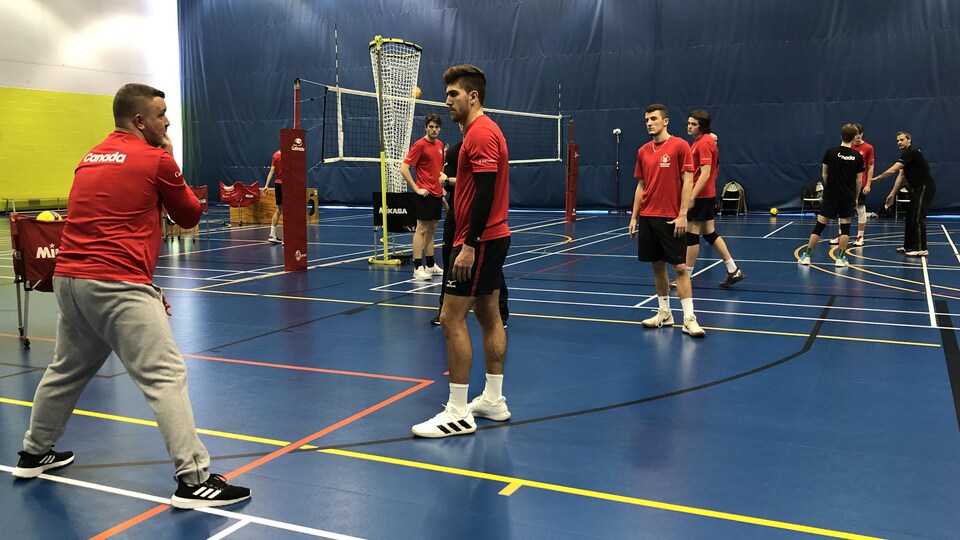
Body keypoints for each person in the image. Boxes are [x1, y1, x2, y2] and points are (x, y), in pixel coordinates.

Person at [11, 83, 251, 509]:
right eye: (161, 114)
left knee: (65, 370)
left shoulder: (90, 157)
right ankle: (194, 480)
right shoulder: (156, 158)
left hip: (68, 280)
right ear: (140, 121)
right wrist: (172, 159)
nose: (167, 121)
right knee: (165, 376)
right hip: (115, 284)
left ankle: (34, 451)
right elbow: (189, 215)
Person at [412, 64, 511, 438]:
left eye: (453, 94)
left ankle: (457, 411)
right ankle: (493, 400)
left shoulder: (482, 133)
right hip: (487, 238)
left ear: (473, 96)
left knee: (451, 318)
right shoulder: (475, 133)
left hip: (479, 241)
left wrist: (469, 244)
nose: (447, 100)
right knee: (488, 315)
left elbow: (485, 191)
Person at [628, 104, 704, 337]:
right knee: (657, 265)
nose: (649, 123)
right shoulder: (643, 151)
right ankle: (664, 313)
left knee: (680, 268)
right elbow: (641, 185)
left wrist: (682, 214)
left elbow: (688, 180)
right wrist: (634, 217)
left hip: (671, 217)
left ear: (666, 121)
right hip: (649, 216)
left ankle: (689, 319)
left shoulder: (680, 146)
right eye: (647, 120)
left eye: (653, 119)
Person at [431, 138, 509, 327]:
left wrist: (449, 180)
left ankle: (501, 311)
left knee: (491, 265)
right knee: (449, 260)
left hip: (480, 219)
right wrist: (447, 182)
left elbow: (481, 183)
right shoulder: (454, 151)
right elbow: (446, 183)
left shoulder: (484, 141)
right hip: (455, 213)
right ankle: (443, 308)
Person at [683, 109, 745, 288]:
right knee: (709, 233)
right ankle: (733, 270)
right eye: (688, 123)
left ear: (702, 126)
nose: (689, 126)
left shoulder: (703, 143)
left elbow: (705, 173)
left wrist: (691, 196)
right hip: (707, 194)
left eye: (693, 124)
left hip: (701, 195)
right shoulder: (701, 142)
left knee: (691, 235)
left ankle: (686, 275)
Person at [798, 124, 864, 267]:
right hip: (848, 195)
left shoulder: (831, 152)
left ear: (841, 136)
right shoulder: (857, 156)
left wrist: (831, 188)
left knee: (820, 226)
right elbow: (859, 180)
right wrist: (855, 197)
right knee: (845, 227)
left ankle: (807, 256)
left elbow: (824, 174)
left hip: (831, 195)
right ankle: (840, 259)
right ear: (854, 138)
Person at [872, 131, 937, 257]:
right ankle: (908, 246)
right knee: (910, 217)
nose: (899, 143)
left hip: (925, 187)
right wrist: (892, 194)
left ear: (909, 140)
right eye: (897, 141)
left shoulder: (912, 152)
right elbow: (900, 177)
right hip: (916, 188)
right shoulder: (906, 155)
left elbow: (893, 170)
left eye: (902, 140)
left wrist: (877, 178)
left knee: (918, 217)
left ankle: (921, 248)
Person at [401, 114, 446, 279]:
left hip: (436, 193)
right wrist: (416, 188)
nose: (434, 130)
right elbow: (404, 168)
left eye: (436, 127)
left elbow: (437, 169)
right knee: (421, 229)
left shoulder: (440, 145)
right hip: (424, 194)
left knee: (432, 230)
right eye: (431, 127)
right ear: (426, 127)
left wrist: (442, 187)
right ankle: (417, 267)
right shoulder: (419, 145)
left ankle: (431, 264)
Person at [830, 123, 875, 247]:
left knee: (860, 209)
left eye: (859, 134)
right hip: (845, 184)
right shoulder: (847, 147)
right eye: (855, 135)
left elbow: (870, 167)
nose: (857, 137)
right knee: (842, 209)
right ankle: (841, 235)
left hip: (861, 183)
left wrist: (868, 184)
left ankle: (860, 236)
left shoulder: (868, 148)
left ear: (862, 134)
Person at [262, 148, 283, 244]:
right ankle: (287, 238)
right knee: (289, 212)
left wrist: (266, 186)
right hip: (287, 184)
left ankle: (272, 235)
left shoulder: (275, 155)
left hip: (278, 184)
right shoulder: (290, 154)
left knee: (279, 210)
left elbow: (272, 171)